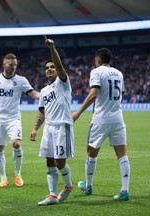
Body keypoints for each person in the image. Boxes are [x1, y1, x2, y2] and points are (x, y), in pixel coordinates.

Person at [72, 48, 130, 201]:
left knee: (91, 153)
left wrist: (77, 113)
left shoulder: (96, 72)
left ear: (97, 59)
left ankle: (88, 186)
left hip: (100, 119)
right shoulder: (119, 73)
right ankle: (125, 190)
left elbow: (93, 94)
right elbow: (121, 95)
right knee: (122, 155)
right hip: (118, 118)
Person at [0, 53, 40, 187]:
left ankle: (17, 173)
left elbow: (34, 94)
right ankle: (3, 177)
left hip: (14, 118)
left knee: (16, 144)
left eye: (15, 65)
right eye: (11, 65)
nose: (13, 67)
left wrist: (47, 95)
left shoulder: (21, 80)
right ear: (4, 64)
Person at [30, 37, 74, 205]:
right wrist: (35, 129)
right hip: (48, 128)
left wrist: (52, 48)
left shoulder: (63, 83)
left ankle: (68, 186)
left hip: (62, 126)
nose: (49, 69)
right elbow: (42, 112)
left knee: (59, 162)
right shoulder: (44, 91)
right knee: (49, 161)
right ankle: (52, 195)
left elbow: (61, 68)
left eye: (52, 67)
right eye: (47, 68)